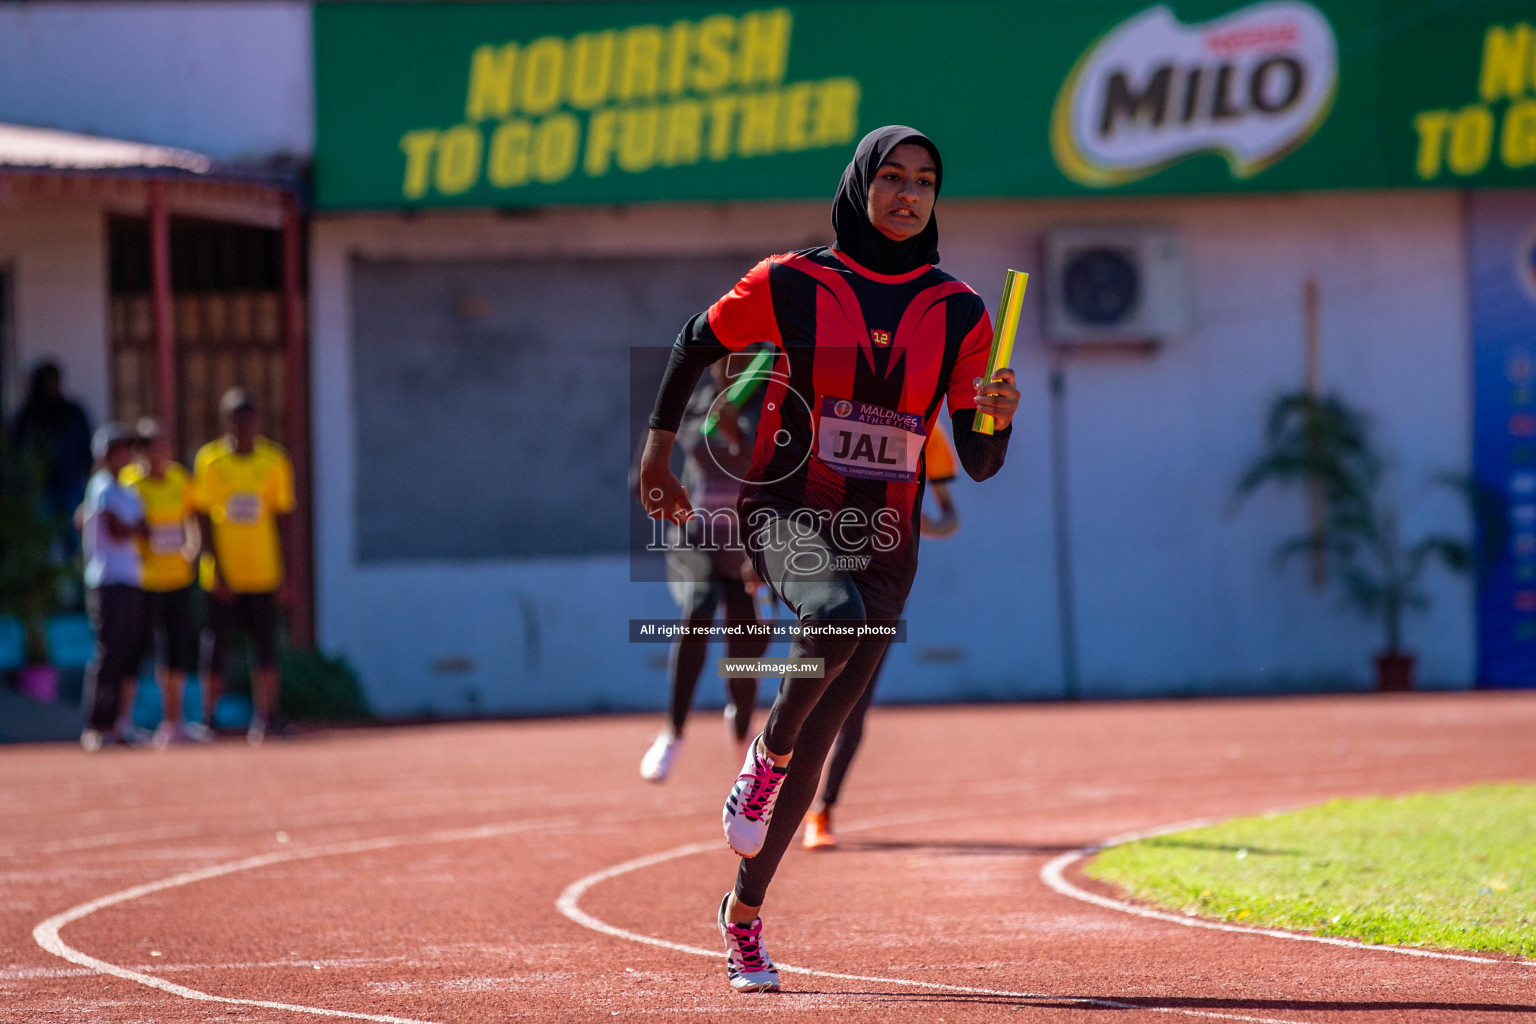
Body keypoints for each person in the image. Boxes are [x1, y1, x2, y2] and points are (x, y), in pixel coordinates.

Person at [638, 126, 1019, 992]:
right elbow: (694, 340)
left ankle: (742, 918)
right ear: (860, 185)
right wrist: (657, 452)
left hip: (889, 539)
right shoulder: (793, 282)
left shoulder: (961, 311)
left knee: (826, 731)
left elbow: (982, 458)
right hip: (790, 511)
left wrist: (998, 410)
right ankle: (762, 761)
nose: (908, 194)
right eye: (892, 177)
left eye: (926, 180)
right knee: (829, 628)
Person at [803, 422, 960, 850]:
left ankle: (822, 809)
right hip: (824, 569)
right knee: (811, 687)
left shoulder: (928, 430)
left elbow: (951, 517)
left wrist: (922, 520)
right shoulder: (830, 408)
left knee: (853, 702)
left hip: (883, 580)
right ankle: (773, 787)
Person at [639, 356, 771, 782]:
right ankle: (673, 732)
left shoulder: (772, 405)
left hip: (748, 547)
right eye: (717, 357)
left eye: (739, 357)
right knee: (698, 607)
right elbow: (664, 451)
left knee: (745, 656)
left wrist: (739, 431)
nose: (724, 366)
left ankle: (740, 727)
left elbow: (777, 471)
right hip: (695, 538)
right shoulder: (697, 402)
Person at [194, 388, 294, 745]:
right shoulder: (209, 461)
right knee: (216, 646)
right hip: (223, 576)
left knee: (265, 646)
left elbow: (282, 518)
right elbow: (203, 517)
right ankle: (208, 717)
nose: (245, 426)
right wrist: (215, 567)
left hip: (263, 571)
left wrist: (286, 573)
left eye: (251, 419)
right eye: (238, 419)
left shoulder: (274, 460)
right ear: (227, 422)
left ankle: (267, 716)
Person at [123, 418, 209, 745]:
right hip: (143, 580)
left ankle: (174, 722)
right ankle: (122, 721)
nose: (162, 453)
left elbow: (193, 518)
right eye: (155, 447)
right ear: (142, 452)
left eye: (165, 446)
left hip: (177, 578)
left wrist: (194, 549)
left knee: (176, 651)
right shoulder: (130, 483)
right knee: (135, 650)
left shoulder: (179, 479)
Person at [78, 423, 149, 751]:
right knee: (106, 654)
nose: (122, 456)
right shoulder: (101, 486)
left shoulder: (129, 491)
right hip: (107, 581)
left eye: (125, 450)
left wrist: (134, 527)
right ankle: (95, 725)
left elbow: (143, 529)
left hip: (132, 579)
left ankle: (119, 723)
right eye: (116, 450)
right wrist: (134, 527)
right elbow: (119, 529)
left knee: (128, 653)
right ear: (103, 455)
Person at [12, 361, 93, 559]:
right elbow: (19, 453)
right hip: (41, 489)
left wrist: (89, 483)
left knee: (74, 543)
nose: (52, 385)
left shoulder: (73, 411)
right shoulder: (29, 415)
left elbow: (85, 449)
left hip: (71, 485)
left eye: (55, 380)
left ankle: (76, 586)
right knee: (42, 544)